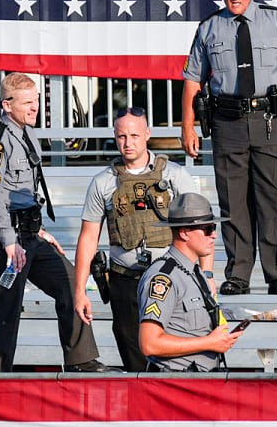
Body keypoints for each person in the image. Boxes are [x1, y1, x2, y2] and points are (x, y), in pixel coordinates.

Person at [181, 0, 277, 297]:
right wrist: (187, 125)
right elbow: (193, 79)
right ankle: (238, 274)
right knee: (233, 203)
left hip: (271, 121)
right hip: (227, 123)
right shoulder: (209, 27)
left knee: (273, 201)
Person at [0, 72, 106, 372]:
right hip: (3, 240)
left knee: (71, 283)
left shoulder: (27, 133)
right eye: (28, 103)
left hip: (29, 233)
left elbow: (24, 194)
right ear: (7, 105)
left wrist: (38, 230)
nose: (35, 108)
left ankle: (81, 360)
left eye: (37, 101)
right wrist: (8, 242)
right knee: (4, 310)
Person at [72, 106, 210, 370]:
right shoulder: (103, 182)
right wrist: (80, 292)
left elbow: (200, 228)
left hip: (172, 280)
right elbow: (88, 237)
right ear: (115, 135)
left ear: (147, 134)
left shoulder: (175, 175)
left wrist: (206, 277)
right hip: (126, 280)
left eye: (134, 136)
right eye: (122, 136)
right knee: (134, 359)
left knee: (176, 357)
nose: (128, 143)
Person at [137, 193, 244, 372]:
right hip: (176, 386)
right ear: (185, 233)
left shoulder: (195, 273)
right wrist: (209, 343)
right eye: (208, 229)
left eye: (214, 227)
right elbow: (150, 344)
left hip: (199, 381)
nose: (214, 236)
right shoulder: (164, 278)